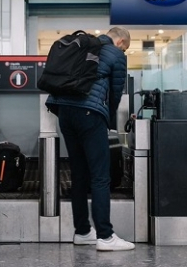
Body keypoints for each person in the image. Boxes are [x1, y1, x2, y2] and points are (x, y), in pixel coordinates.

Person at [45, 27, 135, 251]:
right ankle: (105, 236)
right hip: (90, 115)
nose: (124, 50)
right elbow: (115, 94)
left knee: (79, 173)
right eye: (125, 47)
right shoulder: (116, 55)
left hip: (64, 113)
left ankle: (83, 231)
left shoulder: (83, 46)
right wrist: (107, 120)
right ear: (121, 41)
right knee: (100, 176)